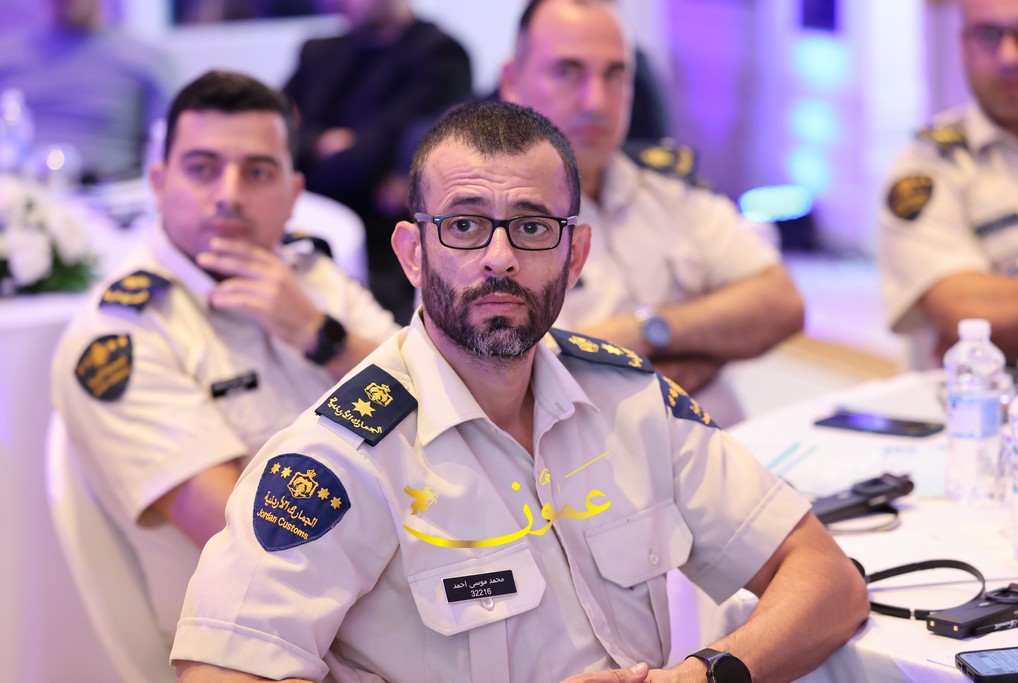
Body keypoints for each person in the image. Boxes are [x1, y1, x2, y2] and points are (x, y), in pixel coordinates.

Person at [170, 100, 867, 683]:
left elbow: (827, 578)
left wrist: (702, 676)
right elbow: (218, 673)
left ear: (575, 254)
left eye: (532, 227)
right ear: (412, 254)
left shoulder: (628, 399)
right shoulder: (342, 457)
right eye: (464, 226)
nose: (499, 258)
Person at [50, 70, 399, 645]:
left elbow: (431, 404)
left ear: (293, 194)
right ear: (159, 183)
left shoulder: (312, 278)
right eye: (202, 168)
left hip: (385, 596)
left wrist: (322, 337)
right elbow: (250, 540)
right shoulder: (120, 338)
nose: (229, 195)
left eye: (257, 172)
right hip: (267, 643)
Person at [498, 0, 804, 427]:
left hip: (724, 449)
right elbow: (504, 385)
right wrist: (707, 346)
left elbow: (781, 304)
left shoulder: (667, 191)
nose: (596, 101)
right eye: (568, 71)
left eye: (615, 74)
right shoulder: (482, 229)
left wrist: (647, 331)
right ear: (513, 82)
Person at [283, 0, 473, 324]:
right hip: (297, 226)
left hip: (385, 248)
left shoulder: (438, 55)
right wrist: (319, 143)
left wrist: (316, 152)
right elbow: (272, 134)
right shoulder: (319, 53)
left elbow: (363, 159)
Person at [879, 0, 1018, 369]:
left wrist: (1010, 319)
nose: (1009, 57)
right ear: (964, 46)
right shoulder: (928, 164)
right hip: (974, 400)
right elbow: (965, 310)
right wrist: (985, 320)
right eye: (988, 35)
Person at [0, 0, 175, 182]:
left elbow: (167, 146)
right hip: (14, 188)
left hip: (111, 189)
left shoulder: (147, 61)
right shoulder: (6, 58)